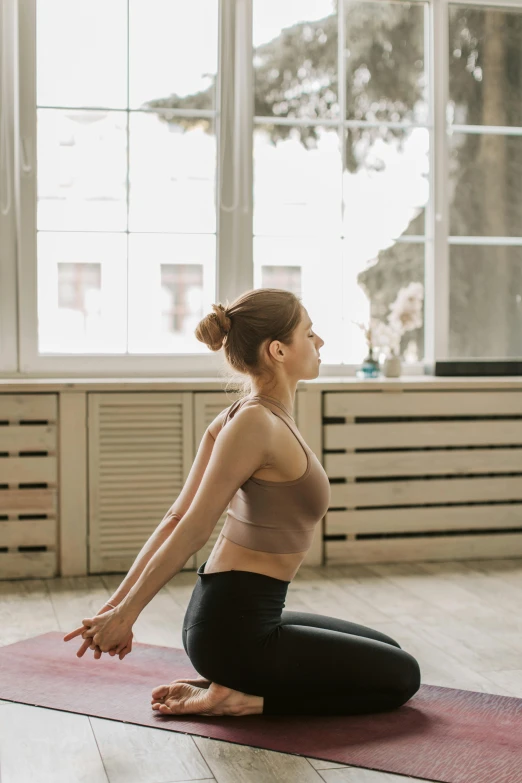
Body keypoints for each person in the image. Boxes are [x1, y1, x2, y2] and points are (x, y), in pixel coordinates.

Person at [64, 288, 421, 717]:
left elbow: (174, 517)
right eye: (309, 334)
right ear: (277, 350)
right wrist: (123, 614)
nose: (320, 343)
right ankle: (245, 698)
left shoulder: (255, 415)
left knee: (387, 651)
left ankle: (229, 684)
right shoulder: (253, 422)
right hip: (234, 631)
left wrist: (114, 610)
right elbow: (188, 525)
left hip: (245, 617)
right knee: (403, 677)